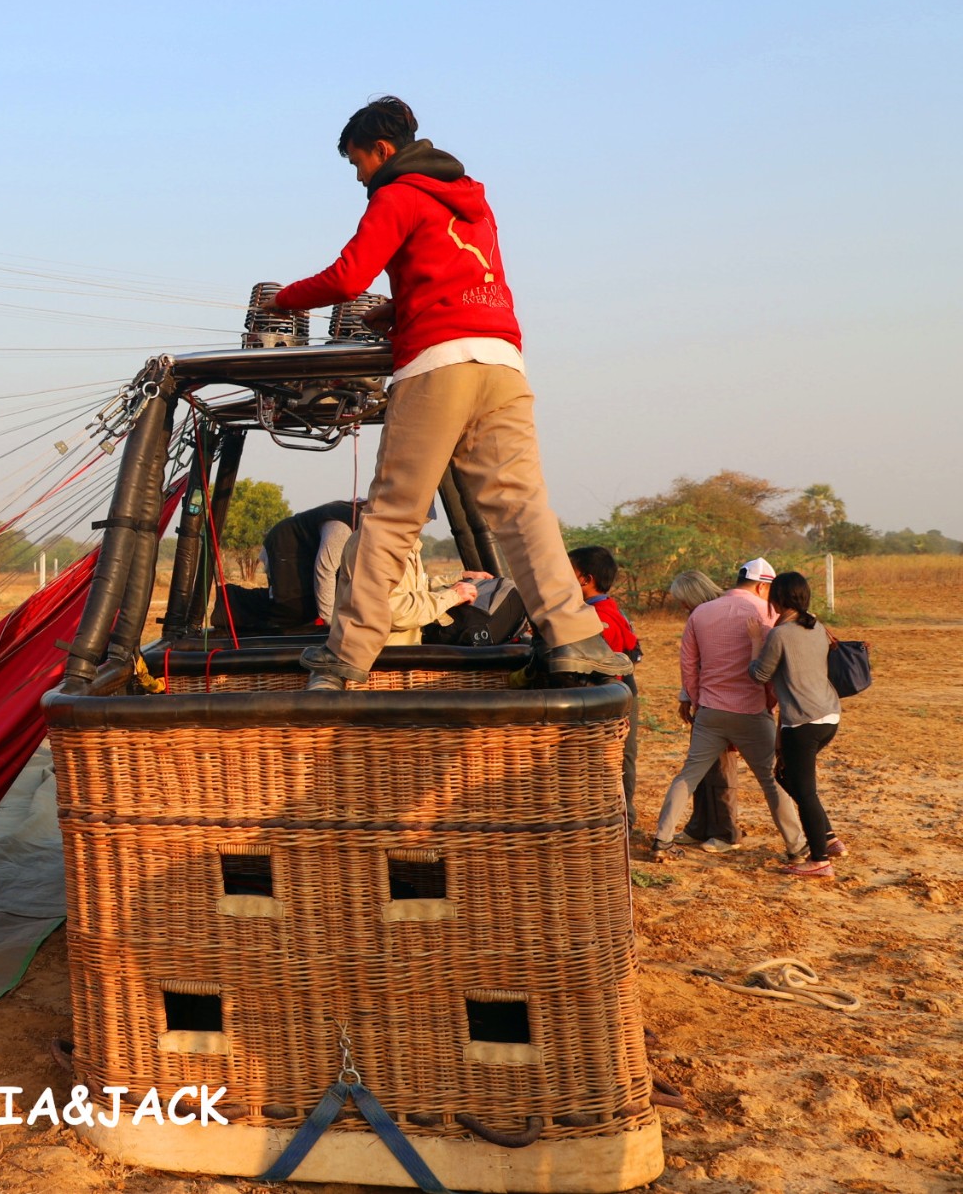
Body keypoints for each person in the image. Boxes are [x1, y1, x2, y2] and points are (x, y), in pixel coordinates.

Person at [256, 97, 629, 690]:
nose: (359, 178)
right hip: (502, 362)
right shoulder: (475, 202)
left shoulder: (397, 193)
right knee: (522, 509)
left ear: (381, 150)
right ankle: (574, 639)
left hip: (438, 366)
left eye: (358, 164)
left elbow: (349, 276)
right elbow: (459, 274)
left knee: (393, 514)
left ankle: (345, 656)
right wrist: (397, 312)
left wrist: (284, 300)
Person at [649, 560, 807, 862]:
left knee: (687, 776)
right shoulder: (770, 614)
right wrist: (768, 705)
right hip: (752, 711)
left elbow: (688, 667)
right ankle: (797, 847)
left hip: (711, 711)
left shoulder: (700, 613)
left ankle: (661, 840)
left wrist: (699, 703)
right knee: (773, 781)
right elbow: (775, 669)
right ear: (763, 586)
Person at [751, 571, 845, 878]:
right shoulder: (816, 625)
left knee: (804, 790)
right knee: (787, 776)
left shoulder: (779, 635)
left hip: (803, 721)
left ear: (777, 600)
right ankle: (828, 838)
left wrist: (756, 642)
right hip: (828, 716)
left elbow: (759, 675)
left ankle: (819, 859)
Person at [667, 570, 741, 849]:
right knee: (701, 767)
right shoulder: (700, 616)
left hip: (724, 702)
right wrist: (687, 696)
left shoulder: (718, 615)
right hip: (705, 701)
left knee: (721, 769)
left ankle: (726, 832)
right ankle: (699, 827)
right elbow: (692, 664)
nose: (681, 606)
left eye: (683, 600)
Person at [570, 546, 642, 825]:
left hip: (610, 702)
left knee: (615, 761)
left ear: (585, 580)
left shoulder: (597, 617)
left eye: (569, 572)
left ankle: (620, 820)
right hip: (620, 696)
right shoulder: (611, 610)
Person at [334, 533, 485, 646]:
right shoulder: (373, 544)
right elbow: (390, 611)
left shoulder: (403, 541)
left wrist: (460, 578)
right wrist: (451, 597)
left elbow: (415, 589)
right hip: (380, 662)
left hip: (402, 652)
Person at [263, 499, 363, 630]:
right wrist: (331, 624)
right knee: (292, 607)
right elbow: (325, 569)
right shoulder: (342, 527)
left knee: (306, 603)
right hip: (284, 546)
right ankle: (231, 601)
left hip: (304, 552)